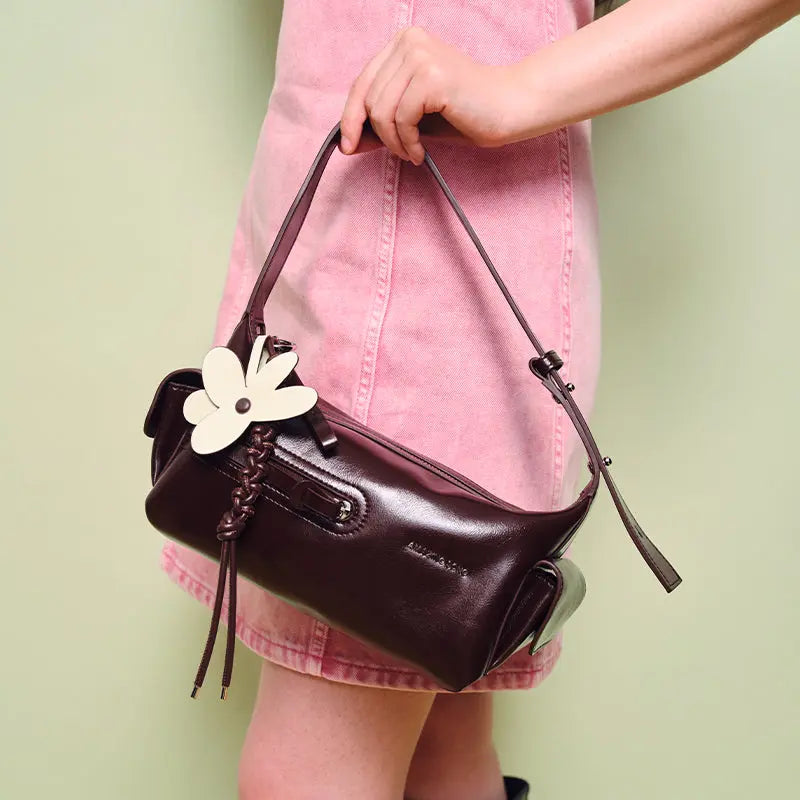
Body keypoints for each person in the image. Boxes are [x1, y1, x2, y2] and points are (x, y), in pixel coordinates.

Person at [159, 1, 799, 798]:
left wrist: (520, 90)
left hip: (418, 264)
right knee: (441, 749)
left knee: (318, 767)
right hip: (352, 224)